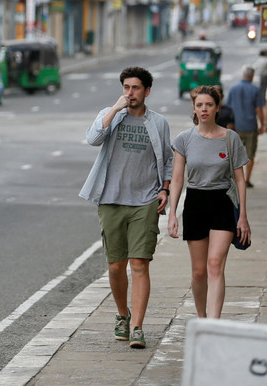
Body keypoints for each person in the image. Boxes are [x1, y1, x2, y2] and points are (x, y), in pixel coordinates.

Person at [79, 67, 173, 348]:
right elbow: (93, 138)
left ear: (147, 91)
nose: (130, 93)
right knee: (116, 266)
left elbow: (168, 159)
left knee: (140, 264)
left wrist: (165, 189)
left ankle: (137, 327)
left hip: (145, 201)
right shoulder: (111, 116)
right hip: (111, 200)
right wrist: (114, 111)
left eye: (135, 88)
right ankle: (122, 314)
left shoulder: (158, 123)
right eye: (126, 88)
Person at [168, 85, 251, 319]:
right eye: (199, 105)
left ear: (217, 108)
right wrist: (173, 213)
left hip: (222, 202)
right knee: (198, 272)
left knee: (215, 264)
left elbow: (240, 180)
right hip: (195, 202)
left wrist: (243, 216)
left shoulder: (230, 138)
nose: (204, 109)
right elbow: (177, 179)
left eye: (209, 105)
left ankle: (213, 325)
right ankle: (202, 318)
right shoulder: (184, 139)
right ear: (194, 109)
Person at [225, 65, 266, 188]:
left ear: (243, 75)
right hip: (250, 127)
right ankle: (246, 179)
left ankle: (236, 178)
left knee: (234, 154)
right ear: (252, 76)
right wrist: (263, 124)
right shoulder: (255, 90)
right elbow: (259, 109)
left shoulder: (233, 89)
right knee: (250, 154)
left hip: (235, 127)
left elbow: (227, 108)